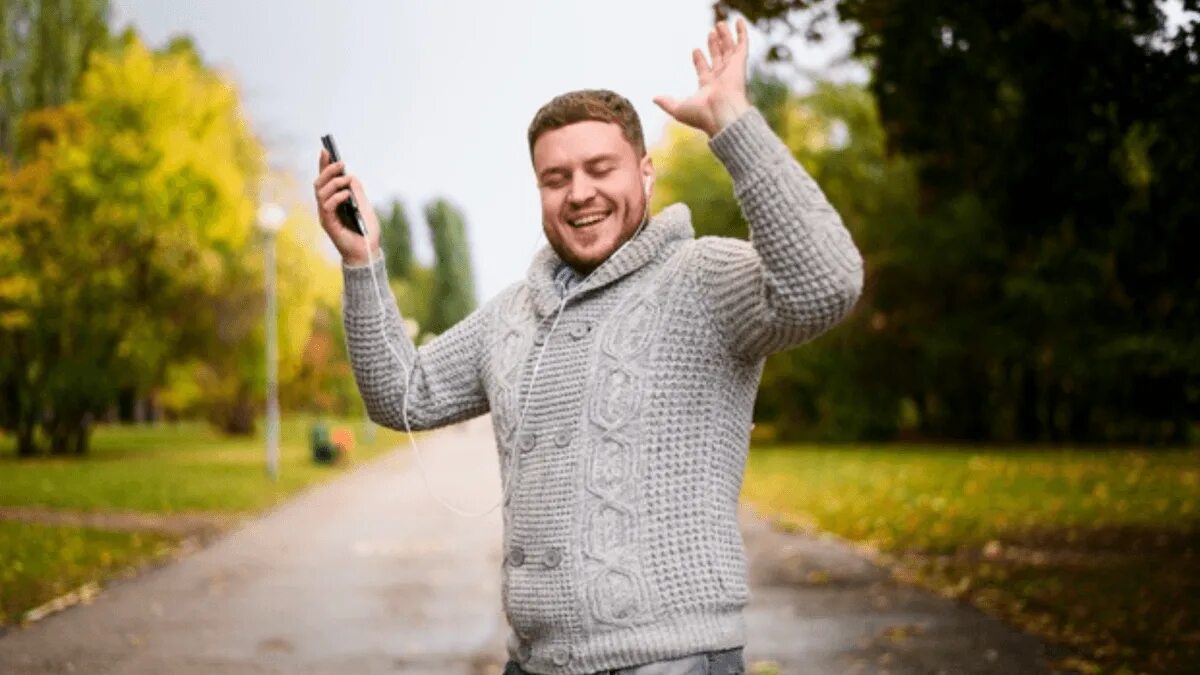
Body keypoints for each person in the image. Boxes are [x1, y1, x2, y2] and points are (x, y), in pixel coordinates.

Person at [313, 18, 863, 675]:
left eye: (601, 168)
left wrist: (733, 123)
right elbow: (400, 395)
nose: (580, 193)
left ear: (647, 173)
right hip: (534, 662)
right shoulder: (512, 313)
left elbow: (827, 284)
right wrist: (363, 260)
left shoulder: (702, 279)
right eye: (556, 177)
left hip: (673, 660)